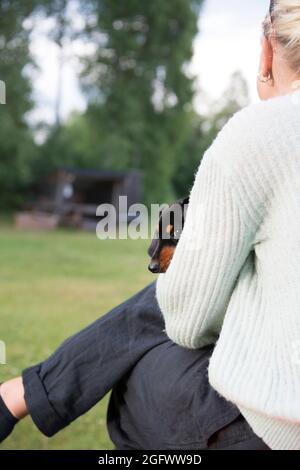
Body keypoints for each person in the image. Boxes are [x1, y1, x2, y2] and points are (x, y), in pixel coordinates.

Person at [1, 0, 300, 450]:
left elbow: (186, 320)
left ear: (266, 47)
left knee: (139, 370)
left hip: (280, 430)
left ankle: (22, 394)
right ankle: (25, 393)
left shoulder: (261, 130)